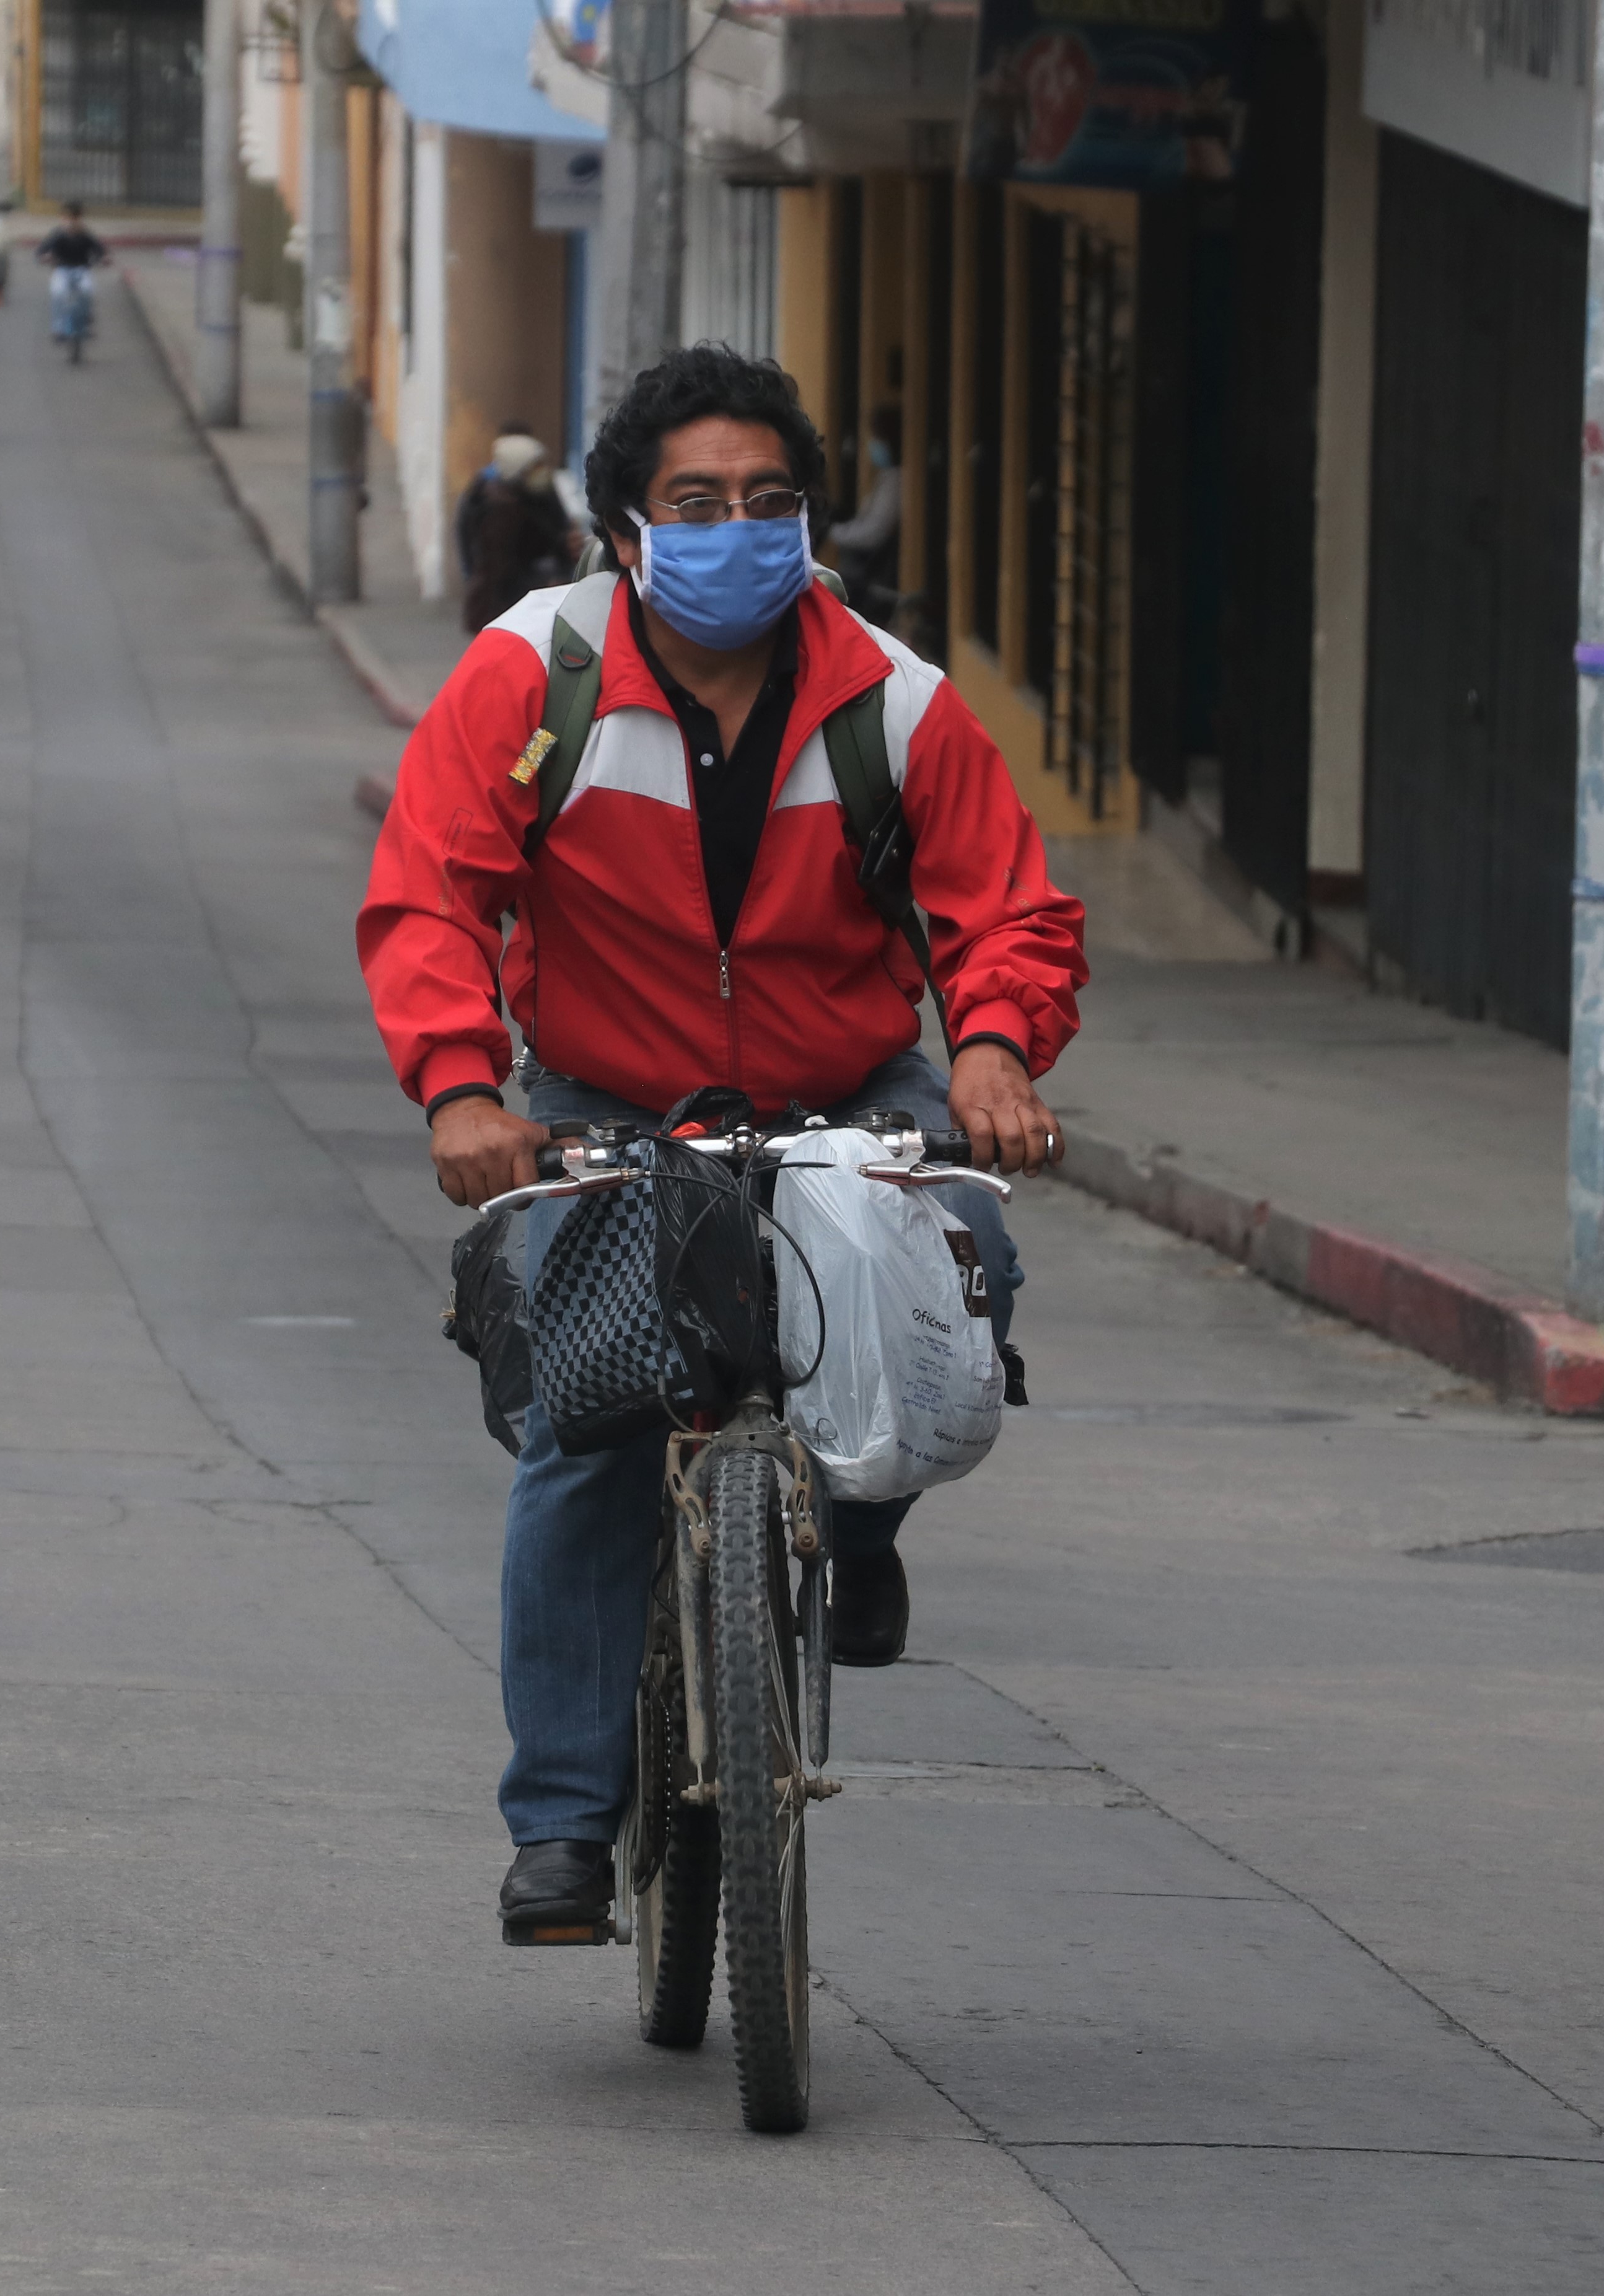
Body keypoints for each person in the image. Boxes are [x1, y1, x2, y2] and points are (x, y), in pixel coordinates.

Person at [356, 345, 1088, 1940]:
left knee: (963, 1283)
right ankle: (560, 1825)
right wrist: (463, 1090)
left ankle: (862, 1520)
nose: (734, 528)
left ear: (808, 520)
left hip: (848, 1083)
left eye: (767, 500)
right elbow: (428, 892)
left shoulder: (893, 700)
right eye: (695, 501)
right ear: (626, 527)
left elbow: (1005, 911)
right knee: (589, 1421)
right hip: (606, 1103)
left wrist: (987, 1057)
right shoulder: (528, 673)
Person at [454, 426, 577, 631]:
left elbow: (551, 533)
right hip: (506, 613)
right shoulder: (502, 509)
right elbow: (501, 573)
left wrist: (565, 544)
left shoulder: (540, 494)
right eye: (535, 466)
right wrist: (546, 582)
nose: (542, 471)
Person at [825, 405, 901, 613]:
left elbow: (873, 533)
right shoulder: (888, 476)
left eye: (878, 437)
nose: (872, 444)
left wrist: (833, 533)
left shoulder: (898, 482)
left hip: (876, 580)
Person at [33, 200, 106, 342]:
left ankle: (85, 324)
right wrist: (44, 257)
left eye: (75, 218)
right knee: (58, 293)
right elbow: (42, 250)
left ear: (80, 219)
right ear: (62, 219)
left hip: (82, 270)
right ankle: (59, 329)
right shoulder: (57, 234)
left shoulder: (86, 235)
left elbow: (100, 250)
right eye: (67, 218)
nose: (71, 222)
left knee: (87, 290)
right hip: (62, 270)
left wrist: (103, 258)